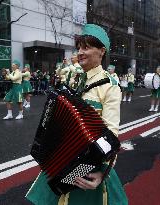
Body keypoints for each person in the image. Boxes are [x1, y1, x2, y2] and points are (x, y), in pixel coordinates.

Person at [26, 24, 128, 205]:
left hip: (89, 165)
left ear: (101, 51)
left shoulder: (110, 86)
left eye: (86, 47)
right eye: (79, 47)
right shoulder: (78, 79)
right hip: (63, 158)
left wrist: (103, 172)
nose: (80, 52)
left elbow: (111, 134)